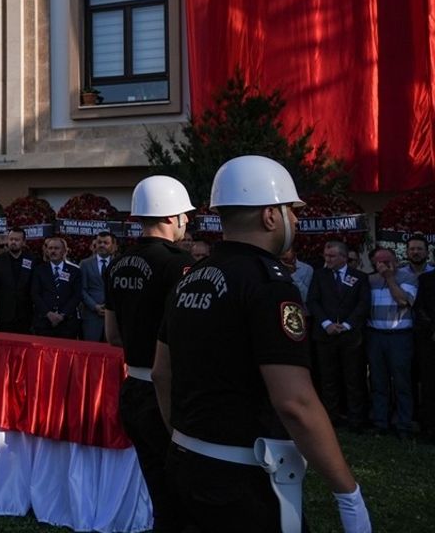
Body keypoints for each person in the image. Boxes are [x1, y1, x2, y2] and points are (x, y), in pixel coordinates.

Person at [152, 155, 370, 533]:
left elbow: (160, 373)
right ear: (270, 216)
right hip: (244, 482)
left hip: (184, 463)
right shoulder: (269, 285)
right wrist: (347, 492)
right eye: (291, 210)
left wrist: (186, 438)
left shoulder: (190, 277)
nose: (297, 221)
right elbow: (295, 403)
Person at [104, 175, 195, 532]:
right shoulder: (179, 264)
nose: (186, 222)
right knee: (185, 499)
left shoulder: (117, 263)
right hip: (169, 392)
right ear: (172, 217)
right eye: (184, 216)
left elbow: (112, 335)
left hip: (132, 390)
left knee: (159, 491)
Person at [307, 241, 370, 431]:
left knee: (354, 378)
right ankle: (331, 419)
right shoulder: (319, 276)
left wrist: (347, 324)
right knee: (328, 379)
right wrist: (326, 324)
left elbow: (363, 303)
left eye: (332, 256)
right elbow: (313, 301)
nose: (328, 259)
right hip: (325, 335)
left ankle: (356, 420)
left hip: (350, 337)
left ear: (343, 257)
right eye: (326, 256)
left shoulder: (359, 277)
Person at [364, 246, 417, 438]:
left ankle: (403, 424)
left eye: (388, 261)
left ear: (395, 260)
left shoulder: (408, 277)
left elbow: (403, 301)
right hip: (376, 336)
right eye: (380, 262)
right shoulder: (370, 280)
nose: (384, 265)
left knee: (402, 382)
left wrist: (389, 278)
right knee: (378, 382)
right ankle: (380, 423)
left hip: (399, 337)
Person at [28, 237, 82, 339]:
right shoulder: (39, 270)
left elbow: (77, 295)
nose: (53, 251)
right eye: (50, 248)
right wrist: (48, 314)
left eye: (56, 248)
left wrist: (62, 315)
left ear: (64, 251)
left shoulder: (75, 271)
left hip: (67, 323)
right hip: (44, 322)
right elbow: (35, 294)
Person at [0, 227, 35, 333]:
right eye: (11, 239)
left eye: (17, 240)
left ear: (23, 242)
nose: (13, 242)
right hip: (4, 314)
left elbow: (35, 288)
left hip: (25, 315)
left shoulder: (32, 259)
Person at [78, 231, 116, 341]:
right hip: (91, 316)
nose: (102, 245)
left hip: (113, 316)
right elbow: (82, 289)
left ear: (113, 245)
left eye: (106, 242)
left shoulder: (118, 262)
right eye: (99, 242)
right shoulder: (85, 264)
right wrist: (95, 306)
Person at [415, 268, 435, 444]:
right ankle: (429, 427)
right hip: (430, 340)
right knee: (429, 384)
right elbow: (419, 307)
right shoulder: (426, 280)